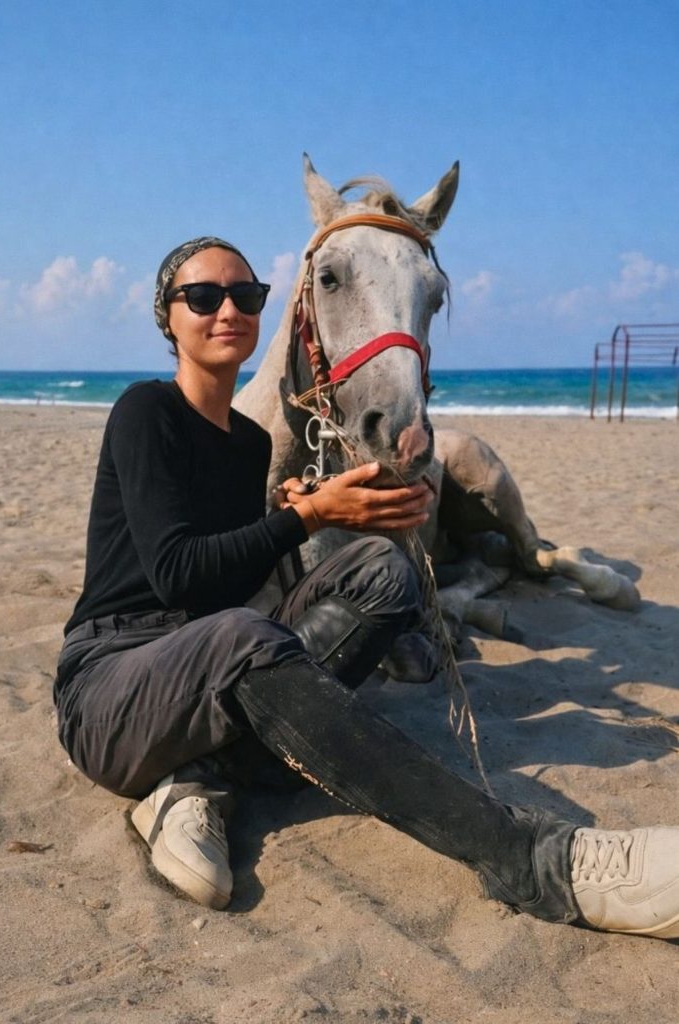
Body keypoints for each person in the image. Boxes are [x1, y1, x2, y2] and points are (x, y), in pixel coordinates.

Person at [54, 235, 679, 938]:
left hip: (205, 678)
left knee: (383, 572)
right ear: (167, 318)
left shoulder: (249, 446)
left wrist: (321, 517)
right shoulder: (146, 412)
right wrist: (302, 518)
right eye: (203, 297)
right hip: (111, 686)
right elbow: (175, 574)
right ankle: (534, 858)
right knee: (241, 637)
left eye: (246, 296)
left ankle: (194, 780)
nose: (227, 309)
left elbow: (232, 587)